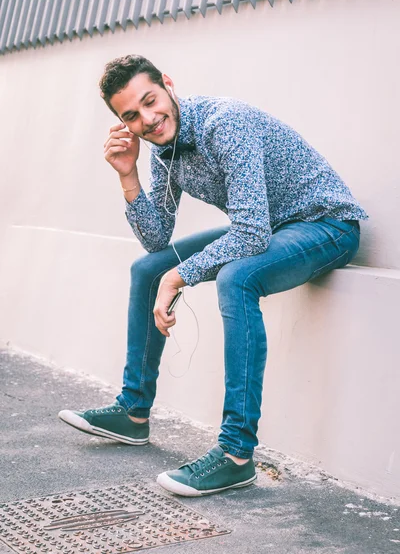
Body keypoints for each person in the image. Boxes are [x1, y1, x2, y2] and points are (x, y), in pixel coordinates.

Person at [59, 54, 368, 497]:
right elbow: (156, 240)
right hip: (271, 225)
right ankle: (133, 411)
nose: (148, 119)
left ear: (167, 84)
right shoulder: (163, 149)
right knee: (149, 269)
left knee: (236, 278)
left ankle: (236, 455)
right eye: (132, 115)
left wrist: (179, 277)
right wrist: (128, 176)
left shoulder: (225, 124)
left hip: (325, 225)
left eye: (151, 101)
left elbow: (250, 233)